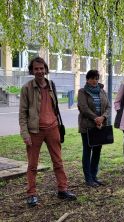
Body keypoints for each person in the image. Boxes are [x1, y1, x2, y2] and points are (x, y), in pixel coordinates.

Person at [19, 57, 76, 207]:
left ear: (45, 69)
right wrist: (25, 134)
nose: (39, 71)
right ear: (32, 70)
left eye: (41, 68)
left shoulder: (51, 85)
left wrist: (56, 126)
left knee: (58, 161)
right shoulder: (27, 88)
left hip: (52, 129)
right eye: (36, 69)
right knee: (32, 165)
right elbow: (22, 114)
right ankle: (31, 194)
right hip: (34, 131)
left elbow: (54, 108)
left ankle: (62, 189)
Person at [77, 70, 111, 187]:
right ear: (87, 79)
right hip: (87, 127)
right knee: (87, 151)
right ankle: (88, 178)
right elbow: (83, 108)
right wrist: (96, 118)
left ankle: (94, 176)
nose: (94, 81)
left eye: (96, 78)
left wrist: (103, 117)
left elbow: (108, 107)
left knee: (97, 151)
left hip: (100, 126)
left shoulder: (102, 91)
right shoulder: (82, 92)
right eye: (91, 78)